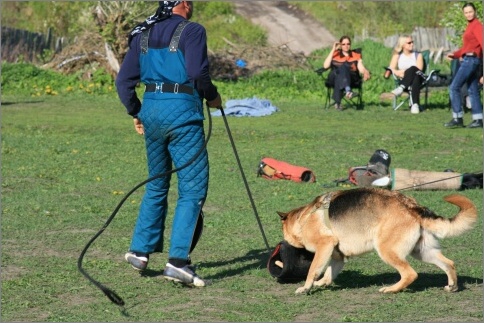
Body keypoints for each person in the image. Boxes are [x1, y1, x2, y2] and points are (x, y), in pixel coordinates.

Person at [115, 1, 222, 287]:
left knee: (157, 182)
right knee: (193, 188)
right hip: (183, 113)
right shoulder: (193, 31)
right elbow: (198, 74)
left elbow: (123, 81)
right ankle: (178, 263)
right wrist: (212, 96)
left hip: (151, 111)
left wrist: (136, 112)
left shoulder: (143, 33)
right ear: (184, 4)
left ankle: (139, 251)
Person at [444, 2, 483, 129]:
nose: (468, 14)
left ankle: (457, 117)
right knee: (472, 90)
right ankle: (478, 119)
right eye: (466, 12)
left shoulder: (477, 26)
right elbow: (466, 48)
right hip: (469, 58)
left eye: (470, 12)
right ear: (463, 14)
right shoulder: (470, 26)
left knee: (454, 87)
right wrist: (454, 54)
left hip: (471, 60)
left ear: (475, 12)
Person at [322, 36, 371, 110]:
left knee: (343, 69)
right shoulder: (335, 54)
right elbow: (325, 66)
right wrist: (333, 49)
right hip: (333, 78)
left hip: (351, 79)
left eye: (348, 44)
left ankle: (338, 103)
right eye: (343, 44)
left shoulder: (355, 55)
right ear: (340, 45)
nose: (346, 46)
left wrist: (365, 71)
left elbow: (360, 67)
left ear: (350, 45)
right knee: (341, 69)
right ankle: (348, 91)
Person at [386, 35, 425, 114]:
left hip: (419, 78)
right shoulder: (397, 56)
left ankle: (401, 88)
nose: (412, 44)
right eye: (409, 43)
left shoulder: (418, 55)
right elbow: (390, 68)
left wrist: (402, 72)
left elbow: (419, 70)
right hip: (404, 79)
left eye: (412, 42)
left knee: (414, 69)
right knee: (414, 76)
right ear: (403, 44)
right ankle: (415, 105)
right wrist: (397, 72)